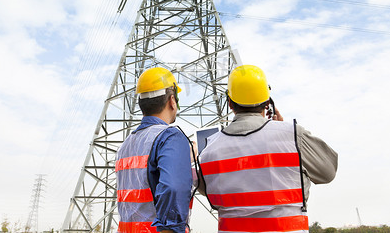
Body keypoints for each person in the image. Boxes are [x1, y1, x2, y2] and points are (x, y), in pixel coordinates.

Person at [198, 65, 338, 233]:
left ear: (230, 103)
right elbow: (327, 173)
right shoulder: (292, 136)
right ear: (267, 102)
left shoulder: (209, 149)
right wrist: (285, 135)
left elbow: (207, 189)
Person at [115, 67, 194, 233]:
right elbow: (172, 189)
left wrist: (184, 161)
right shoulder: (170, 137)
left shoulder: (126, 145)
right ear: (172, 100)